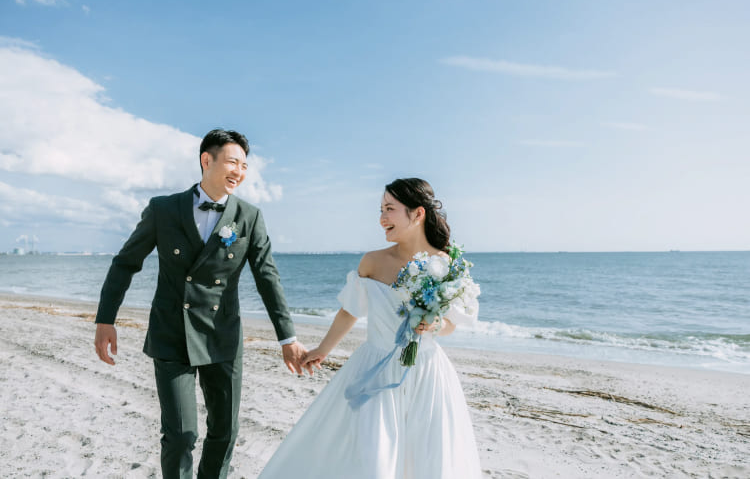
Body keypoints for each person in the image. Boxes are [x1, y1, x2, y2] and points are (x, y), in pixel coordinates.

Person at [93, 128, 307, 479]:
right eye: (233, 162)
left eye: (244, 165)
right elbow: (125, 263)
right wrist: (106, 320)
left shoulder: (249, 216)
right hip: (171, 334)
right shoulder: (163, 209)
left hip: (223, 336)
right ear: (207, 160)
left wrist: (287, 337)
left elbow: (267, 277)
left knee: (225, 432)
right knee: (180, 435)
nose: (239, 172)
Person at [258, 178, 482, 479]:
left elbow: (451, 325)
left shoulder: (446, 264)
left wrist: (436, 323)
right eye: (381, 210)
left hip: (427, 372)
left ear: (418, 214)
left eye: (390, 209)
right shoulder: (373, 262)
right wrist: (323, 350)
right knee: (374, 456)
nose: (382, 218)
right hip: (376, 367)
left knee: (428, 458)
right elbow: (350, 310)